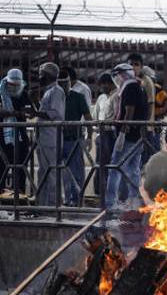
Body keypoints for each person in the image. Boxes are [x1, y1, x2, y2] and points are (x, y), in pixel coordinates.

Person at [104, 63, 148, 211]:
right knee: (133, 169)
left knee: (115, 169)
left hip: (128, 136)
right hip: (137, 136)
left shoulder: (129, 87)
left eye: (117, 75)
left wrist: (122, 134)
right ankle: (134, 200)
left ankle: (111, 203)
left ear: (123, 75)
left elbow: (129, 112)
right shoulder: (138, 86)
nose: (115, 79)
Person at [32, 63, 66, 207]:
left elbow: (55, 114)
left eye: (42, 74)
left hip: (52, 139)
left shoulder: (56, 91)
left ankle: (53, 205)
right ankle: (42, 204)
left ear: (49, 75)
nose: (40, 77)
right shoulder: (48, 92)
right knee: (43, 172)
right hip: (43, 139)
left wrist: (35, 113)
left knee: (51, 173)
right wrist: (34, 102)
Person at [59, 68, 92, 206]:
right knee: (64, 173)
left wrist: (89, 137)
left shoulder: (79, 97)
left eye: (66, 82)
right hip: (58, 139)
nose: (64, 85)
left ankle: (78, 200)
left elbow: (88, 118)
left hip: (74, 140)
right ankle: (68, 200)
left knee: (76, 172)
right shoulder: (55, 97)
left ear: (70, 82)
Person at [0, 68, 28, 195]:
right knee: (1, 166)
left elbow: (27, 110)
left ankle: (19, 194)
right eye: (12, 85)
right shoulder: (1, 92)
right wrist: (9, 113)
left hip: (20, 136)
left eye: (17, 85)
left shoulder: (23, 93)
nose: (15, 88)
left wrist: (22, 112)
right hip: (2, 137)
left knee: (20, 166)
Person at [92, 72, 117, 198]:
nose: (102, 88)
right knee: (100, 163)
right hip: (101, 133)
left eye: (103, 85)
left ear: (109, 84)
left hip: (112, 133)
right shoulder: (101, 98)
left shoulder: (117, 95)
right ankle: (99, 192)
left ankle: (110, 193)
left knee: (111, 163)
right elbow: (95, 116)